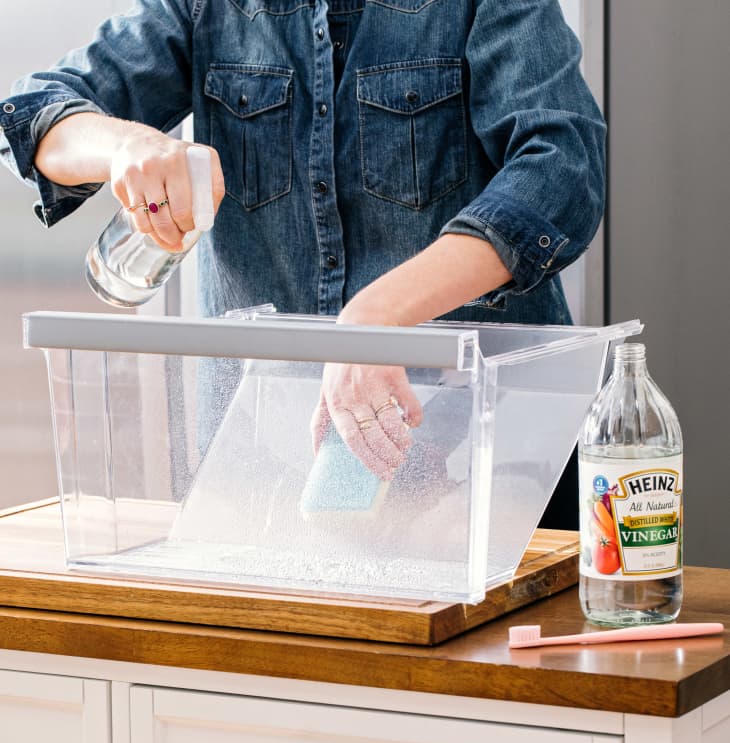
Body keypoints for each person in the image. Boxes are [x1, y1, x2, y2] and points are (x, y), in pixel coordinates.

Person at [0, 0, 604, 518]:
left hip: (481, 472)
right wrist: (126, 145)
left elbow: (564, 164)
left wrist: (376, 319)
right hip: (266, 481)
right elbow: (29, 117)